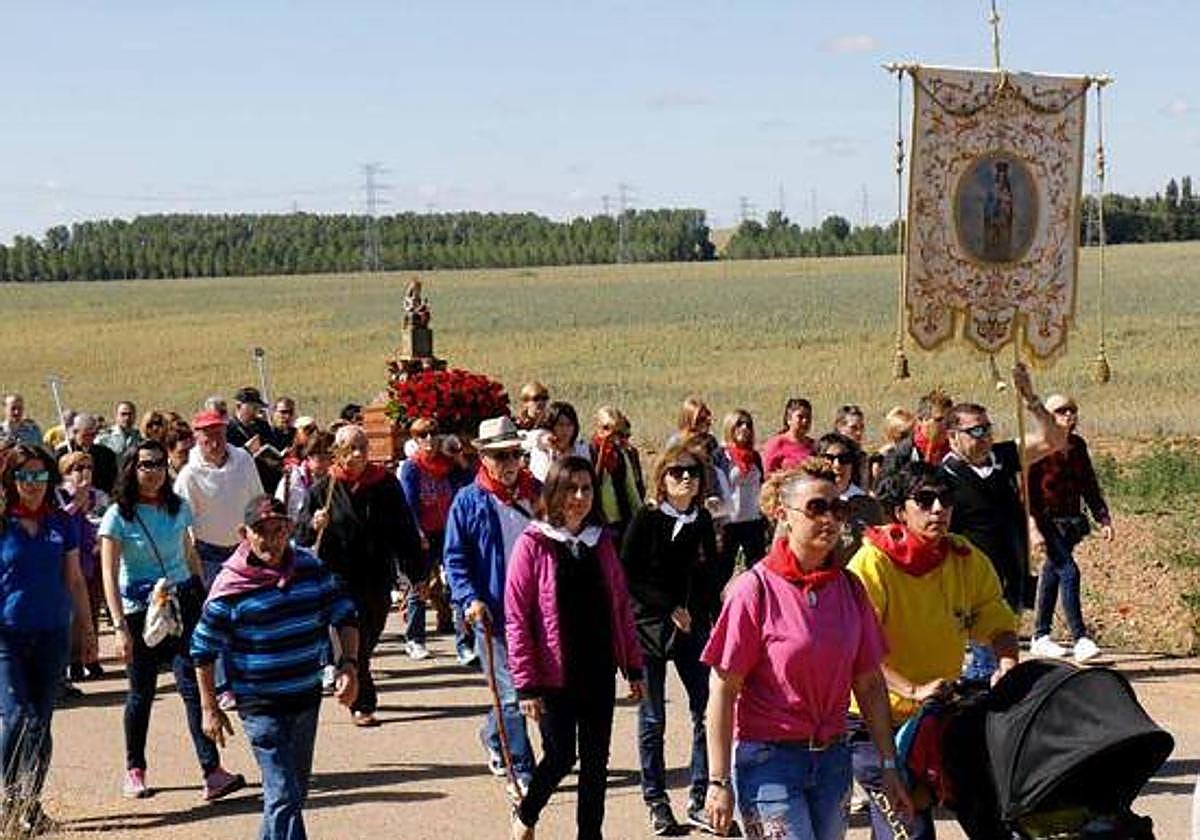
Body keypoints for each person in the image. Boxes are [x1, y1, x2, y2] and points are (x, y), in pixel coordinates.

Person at [702, 460, 912, 839]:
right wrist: (718, 781)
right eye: (816, 508)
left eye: (838, 509)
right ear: (783, 514)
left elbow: (868, 684)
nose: (830, 519)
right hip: (769, 762)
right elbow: (723, 688)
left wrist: (888, 764)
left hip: (833, 760)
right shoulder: (755, 590)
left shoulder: (849, 588)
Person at [847, 461, 1020, 839]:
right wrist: (910, 688)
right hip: (876, 724)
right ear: (899, 512)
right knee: (910, 831)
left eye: (945, 499)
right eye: (925, 501)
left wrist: (1007, 664)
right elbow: (856, 649)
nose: (939, 509)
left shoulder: (964, 556)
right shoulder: (872, 563)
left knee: (993, 817)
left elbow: (997, 618)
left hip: (938, 716)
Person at [192, 495, 361, 840]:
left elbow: (344, 611)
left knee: (291, 793)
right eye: (261, 531)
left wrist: (349, 665)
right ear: (244, 534)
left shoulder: (309, 568)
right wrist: (209, 708)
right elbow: (202, 650)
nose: (271, 540)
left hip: (304, 697)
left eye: (279, 529)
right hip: (260, 704)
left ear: (289, 529)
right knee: (284, 794)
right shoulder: (230, 587)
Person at [505, 457, 647, 840]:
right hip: (554, 674)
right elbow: (517, 618)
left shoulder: (601, 542)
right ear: (554, 492)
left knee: (597, 761)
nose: (580, 497)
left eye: (587, 489)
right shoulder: (532, 544)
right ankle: (527, 811)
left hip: (597, 668)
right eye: (571, 489)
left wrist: (633, 667)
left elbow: (620, 606)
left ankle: (590, 835)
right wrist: (526, 686)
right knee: (562, 754)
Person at [99, 440, 245, 802]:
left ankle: (212, 771)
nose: (154, 471)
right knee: (141, 693)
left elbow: (188, 551)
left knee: (193, 687)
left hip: (182, 604)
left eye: (160, 464)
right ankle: (135, 769)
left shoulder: (177, 507)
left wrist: (205, 595)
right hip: (139, 611)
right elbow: (108, 573)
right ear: (132, 468)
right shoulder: (118, 514)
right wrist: (118, 628)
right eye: (146, 464)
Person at [939, 364, 1066, 679]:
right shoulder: (943, 479)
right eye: (975, 431)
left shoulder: (1002, 457)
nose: (984, 438)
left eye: (987, 429)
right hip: (974, 585)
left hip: (1011, 574)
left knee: (998, 662)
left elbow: (1053, 441)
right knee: (991, 666)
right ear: (953, 436)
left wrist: (1031, 399)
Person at [621, 441, 720, 835]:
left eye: (692, 473)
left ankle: (699, 797)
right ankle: (656, 801)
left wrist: (705, 613)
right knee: (652, 717)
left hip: (691, 628)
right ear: (662, 478)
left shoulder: (700, 521)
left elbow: (710, 573)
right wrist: (667, 606)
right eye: (676, 472)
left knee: (706, 709)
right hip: (648, 627)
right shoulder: (647, 518)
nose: (684, 478)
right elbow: (629, 573)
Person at [294, 425, 420, 727]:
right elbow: (301, 537)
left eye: (363, 447)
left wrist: (415, 571)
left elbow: (404, 528)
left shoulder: (386, 484)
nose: (358, 453)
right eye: (350, 448)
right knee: (353, 637)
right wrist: (314, 523)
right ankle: (362, 702)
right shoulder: (323, 490)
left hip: (377, 574)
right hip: (338, 577)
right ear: (337, 452)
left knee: (369, 635)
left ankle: (351, 673)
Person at [443, 416, 538, 791]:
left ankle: (494, 736)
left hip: (537, 610)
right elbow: (455, 558)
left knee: (533, 690)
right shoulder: (468, 501)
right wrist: (469, 598)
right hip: (494, 614)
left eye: (515, 454)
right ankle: (522, 765)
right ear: (483, 458)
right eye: (500, 456)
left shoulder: (540, 494)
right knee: (512, 694)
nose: (510, 463)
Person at [0, 444, 86, 833]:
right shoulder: (2, 523)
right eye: (23, 476)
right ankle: (8, 799)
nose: (32, 484)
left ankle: (30, 805)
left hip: (51, 634)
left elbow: (73, 579)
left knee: (42, 723)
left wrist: (85, 630)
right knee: (18, 716)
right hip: (7, 639)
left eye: (39, 476)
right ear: (9, 479)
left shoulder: (60, 523)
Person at [175, 408, 264, 710]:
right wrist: (192, 562)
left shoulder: (243, 460)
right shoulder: (189, 474)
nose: (214, 441)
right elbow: (184, 522)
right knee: (220, 617)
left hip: (244, 548)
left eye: (218, 433)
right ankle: (224, 685)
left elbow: (258, 501)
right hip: (209, 552)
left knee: (249, 614)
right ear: (196, 439)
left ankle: (248, 676)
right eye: (207, 436)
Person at [1028, 394, 1114, 663]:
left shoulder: (1077, 446)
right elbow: (1026, 492)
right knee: (1068, 570)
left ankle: (1040, 635)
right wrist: (1032, 527)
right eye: (1060, 410)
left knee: (1052, 572)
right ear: (1048, 417)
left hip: (1070, 522)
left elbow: (1088, 483)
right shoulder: (1038, 448)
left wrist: (1103, 516)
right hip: (1045, 520)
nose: (1068, 415)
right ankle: (1081, 638)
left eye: (1071, 410)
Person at [397, 418, 464, 662]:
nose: (428, 440)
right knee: (420, 585)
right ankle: (415, 638)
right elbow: (409, 503)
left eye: (432, 434)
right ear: (414, 440)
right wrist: (417, 532)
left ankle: (464, 640)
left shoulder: (448, 465)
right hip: (423, 533)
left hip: (448, 530)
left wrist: (459, 459)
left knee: (457, 582)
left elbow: (466, 484)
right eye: (421, 436)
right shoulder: (412, 468)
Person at [56, 451, 109, 683]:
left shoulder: (99, 496)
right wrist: (77, 501)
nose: (83, 472)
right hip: (66, 564)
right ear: (65, 473)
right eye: (77, 468)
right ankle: (70, 662)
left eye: (87, 466)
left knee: (89, 612)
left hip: (91, 559)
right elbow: (60, 521)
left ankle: (87, 657)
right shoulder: (59, 495)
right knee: (69, 617)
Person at [815, 433, 885, 563]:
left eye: (844, 458)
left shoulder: (869, 506)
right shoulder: (808, 504)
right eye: (829, 458)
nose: (837, 465)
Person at [717, 410, 767, 583]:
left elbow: (762, 484)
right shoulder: (721, 456)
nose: (745, 428)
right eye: (739, 423)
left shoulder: (755, 456)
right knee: (722, 570)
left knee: (758, 570)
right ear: (729, 427)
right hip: (728, 522)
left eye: (748, 424)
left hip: (753, 521)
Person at [589, 406, 644, 542]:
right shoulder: (589, 450)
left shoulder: (622, 453)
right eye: (606, 428)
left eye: (617, 431)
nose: (611, 434)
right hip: (599, 519)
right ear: (597, 427)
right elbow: (593, 483)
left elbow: (631, 488)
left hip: (623, 516)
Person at [880, 389, 953, 476]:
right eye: (939, 420)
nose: (946, 424)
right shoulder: (902, 454)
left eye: (949, 419)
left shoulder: (956, 451)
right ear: (921, 420)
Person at [226, 387, 283, 493]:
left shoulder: (263, 426)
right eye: (253, 407)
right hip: (242, 485)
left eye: (258, 407)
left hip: (267, 482)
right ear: (239, 406)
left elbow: (274, 447)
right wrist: (246, 450)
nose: (256, 412)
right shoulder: (228, 430)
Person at [55, 413, 118, 495]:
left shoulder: (106, 454)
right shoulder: (62, 453)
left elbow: (112, 480)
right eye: (86, 435)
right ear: (75, 432)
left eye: (93, 434)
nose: (90, 438)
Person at [276, 432, 333, 521]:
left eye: (330, 458)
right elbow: (278, 511)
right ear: (308, 456)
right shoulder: (292, 478)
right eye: (321, 459)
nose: (327, 464)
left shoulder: (332, 481)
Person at [528, 401, 589, 483]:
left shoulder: (581, 448)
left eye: (569, 425)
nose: (565, 430)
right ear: (551, 425)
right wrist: (542, 440)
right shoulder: (541, 449)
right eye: (560, 425)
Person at [764, 398, 815, 474]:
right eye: (800, 417)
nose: (805, 421)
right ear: (789, 419)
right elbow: (766, 474)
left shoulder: (814, 445)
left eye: (808, 417)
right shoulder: (776, 444)